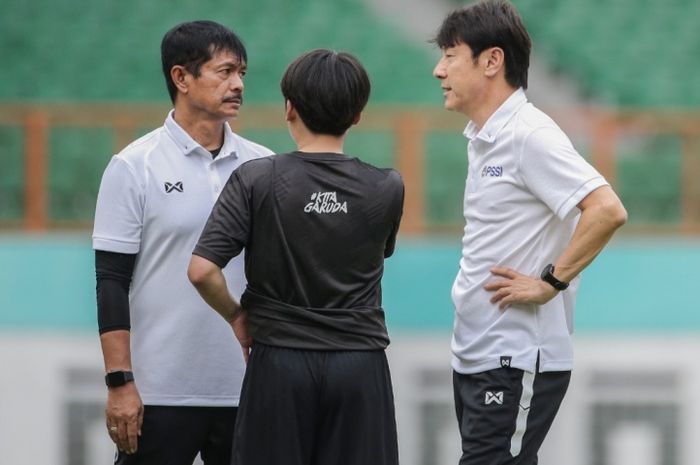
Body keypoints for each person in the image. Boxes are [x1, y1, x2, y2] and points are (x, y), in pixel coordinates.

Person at [432, 1, 628, 464]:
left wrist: (549, 283)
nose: (439, 70)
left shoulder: (529, 133)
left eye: (450, 55)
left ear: (491, 60)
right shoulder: (484, 136)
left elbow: (606, 209)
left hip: (515, 356)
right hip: (479, 352)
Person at [187, 49, 404, 465]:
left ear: (289, 108)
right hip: (359, 364)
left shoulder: (255, 178)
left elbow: (201, 271)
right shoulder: (387, 186)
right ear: (357, 115)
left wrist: (236, 315)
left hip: (279, 361)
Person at [92, 20, 273, 465]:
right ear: (181, 78)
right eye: (225, 71)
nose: (238, 85)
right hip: (158, 392)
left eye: (242, 74)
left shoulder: (264, 166)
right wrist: (120, 382)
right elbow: (111, 282)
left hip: (245, 389)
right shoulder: (134, 166)